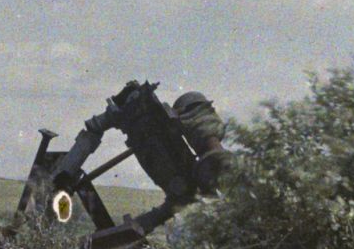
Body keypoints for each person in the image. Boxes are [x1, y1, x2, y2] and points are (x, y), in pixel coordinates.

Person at [50, 81, 229, 235]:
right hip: (181, 183)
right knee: (183, 198)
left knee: (182, 198)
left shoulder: (135, 116)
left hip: (181, 183)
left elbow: (94, 127)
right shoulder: (146, 117)